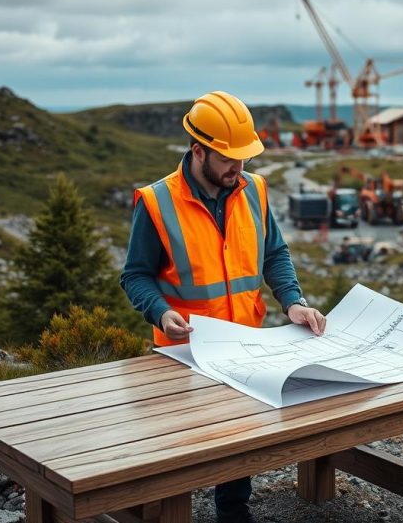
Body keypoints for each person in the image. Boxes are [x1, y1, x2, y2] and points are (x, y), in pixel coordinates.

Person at [120, 91, 326, 523]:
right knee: (176, 451)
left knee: (239, 439)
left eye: (244, 158)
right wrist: (159, 311)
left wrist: (293, 302)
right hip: (183, 352)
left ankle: (234, 514)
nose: (239, 168)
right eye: (229, 159)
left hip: (243, 344)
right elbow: (135, 275)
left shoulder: (255, 190)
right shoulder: (157, 202)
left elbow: (275, 254)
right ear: (199, 151)